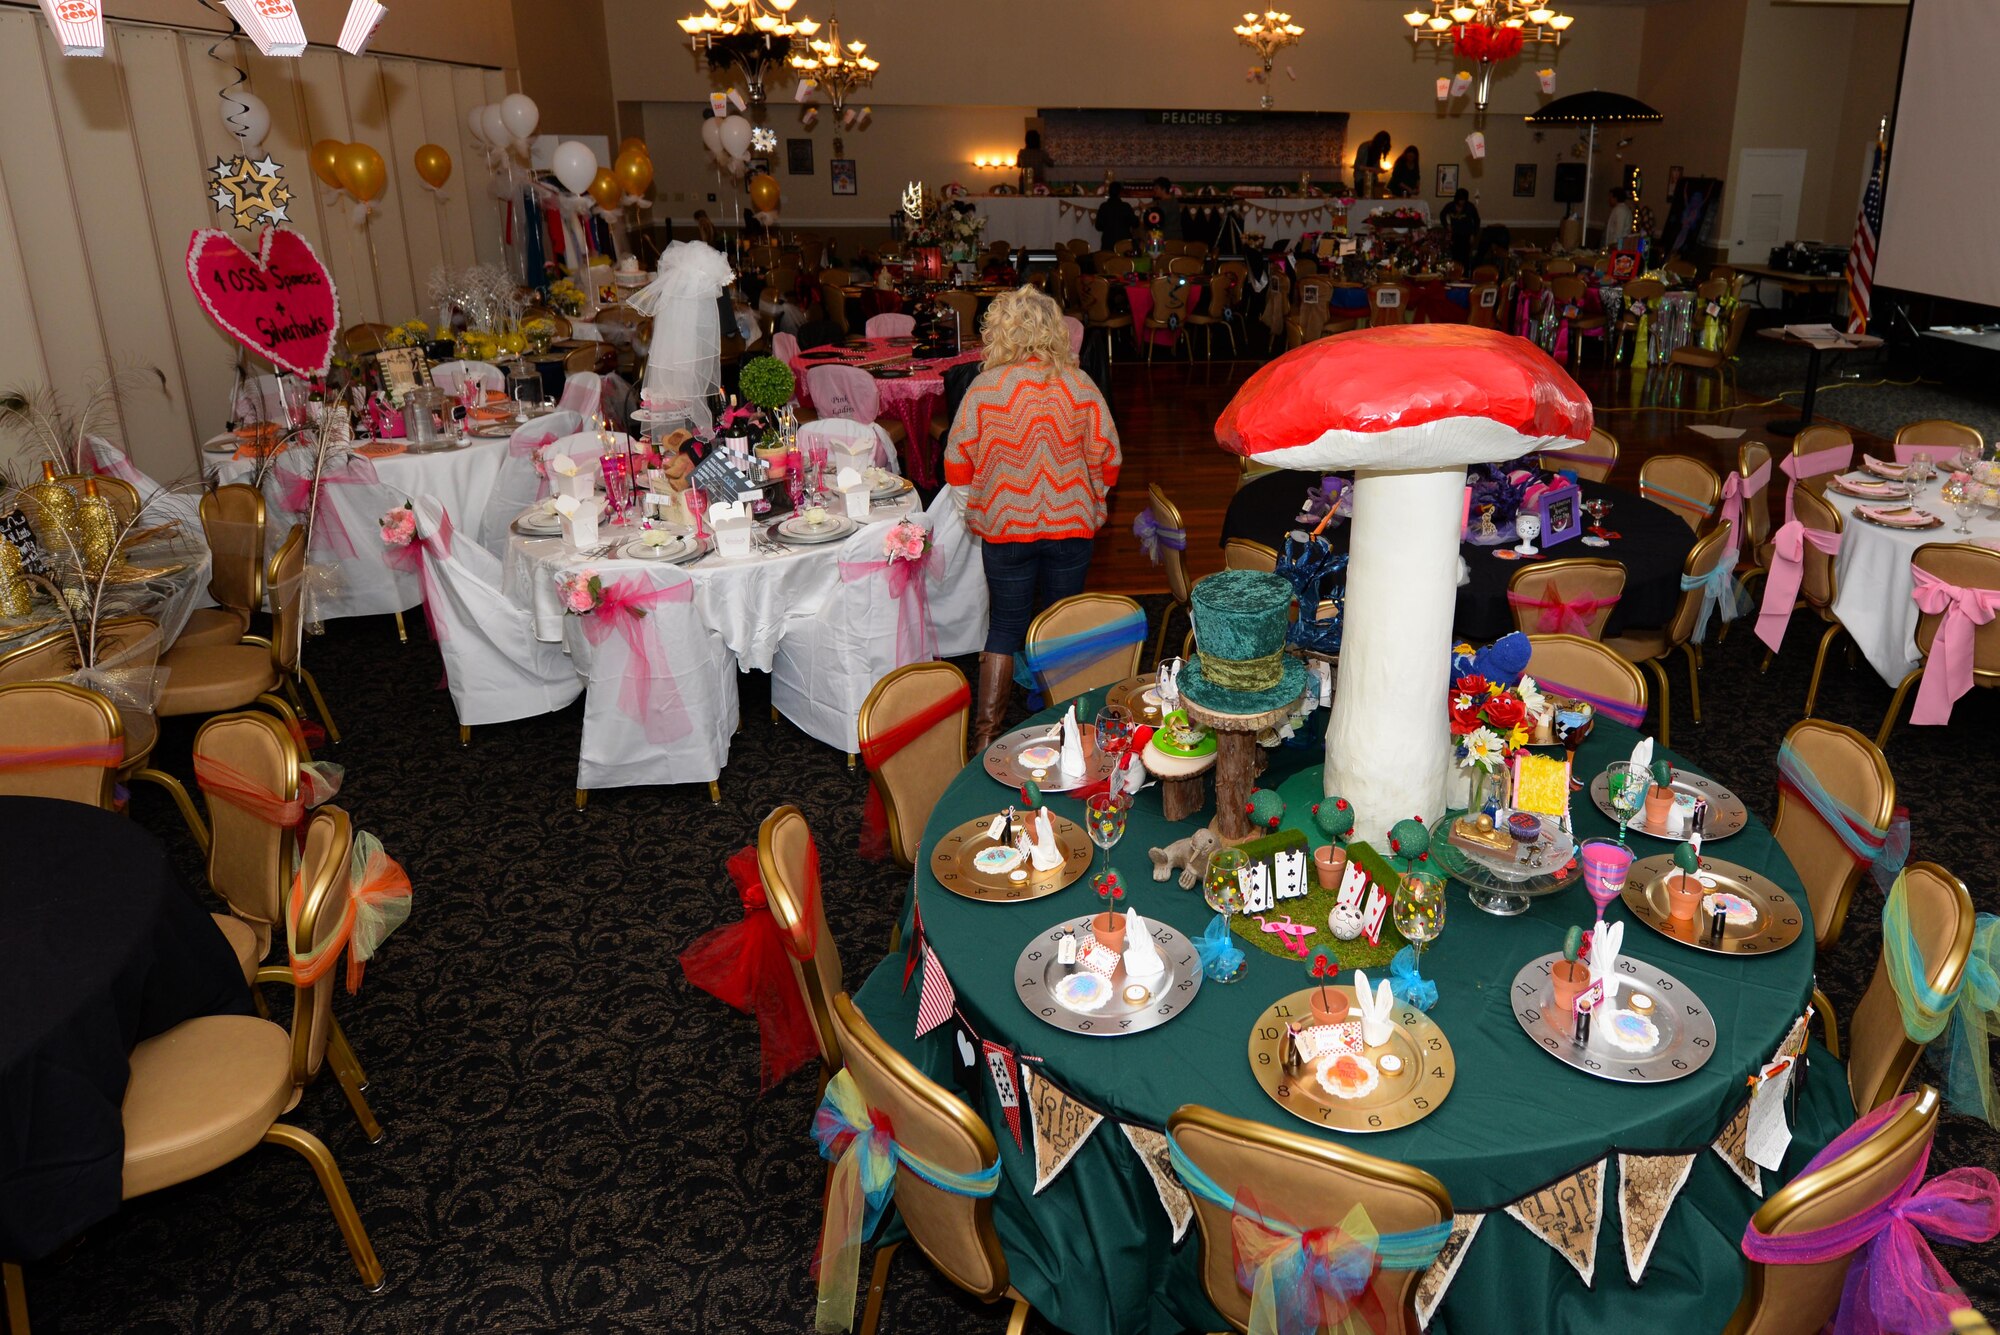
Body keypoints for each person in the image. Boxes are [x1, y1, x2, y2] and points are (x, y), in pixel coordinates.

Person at [946, 287, 1122, 749]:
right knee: (1062, 619)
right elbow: (1108, 457)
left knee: (1004, 625)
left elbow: (957, 463)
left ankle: (986, 736)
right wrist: (1091, 500)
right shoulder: (1080, 385)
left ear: (999, 330)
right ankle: (1063, 722)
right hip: (1072, 526)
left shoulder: (986, 388)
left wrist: (978, 511)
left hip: (1006, 530)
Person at [1440, 188, 1481, 269]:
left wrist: (1473, 234)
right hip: (1455, 235)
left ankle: (1465, 276)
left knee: (1465, 258)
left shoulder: (1470, 207)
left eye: (1463, 200)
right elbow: (1442, 215)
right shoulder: (1450, 206)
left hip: (1466, 235)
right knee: (1455, 257)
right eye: (1460, 200)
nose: (1461, 202)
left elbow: (1477, 220)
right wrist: (1446, 225)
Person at [1095, 182, 1137, 252]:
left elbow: (1098, 226)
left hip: (1107, 244)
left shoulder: (1104, 206)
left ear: (1109, 192)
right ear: (1120, 193)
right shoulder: (1125, 206)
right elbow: (1135, 224)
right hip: (1124, 244)